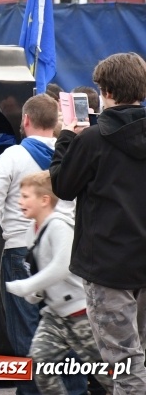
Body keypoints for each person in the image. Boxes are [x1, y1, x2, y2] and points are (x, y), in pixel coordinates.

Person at [0, 94, 85, 395]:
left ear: (25, 121)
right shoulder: (72, 156)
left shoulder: (13, 156)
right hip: (66, 253)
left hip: (22, 251)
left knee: (27, 333)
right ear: (55, 122)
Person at [50, 52, 146, 393]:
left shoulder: (92, 139)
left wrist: (65, 138)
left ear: (106, 91)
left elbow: (63, 186)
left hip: (107, 265)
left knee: (123, 363)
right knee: (140, 359)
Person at [4, 172, 113, 395]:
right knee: (40, 366)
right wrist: (36, 293)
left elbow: (62, 267)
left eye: (25, 196)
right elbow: (44, 271)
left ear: (44, 200)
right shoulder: (30, 232)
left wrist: (27, 286)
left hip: (82, 314)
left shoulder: (60, 227)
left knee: (108, 376)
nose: (19, 202)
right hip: (56, 315)